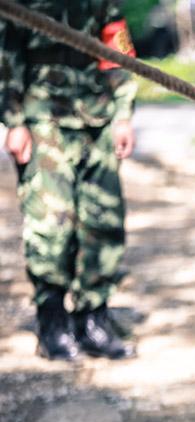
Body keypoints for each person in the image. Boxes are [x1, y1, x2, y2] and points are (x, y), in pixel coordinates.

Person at [1, 0, 137, 361]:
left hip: (98, 117)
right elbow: (7, 53)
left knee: (103, 222)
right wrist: (13, 120)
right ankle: (53, 323)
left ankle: (93, 319)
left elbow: (118, 48)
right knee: (52, 224)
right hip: (43, 119)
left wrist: (123, 114)